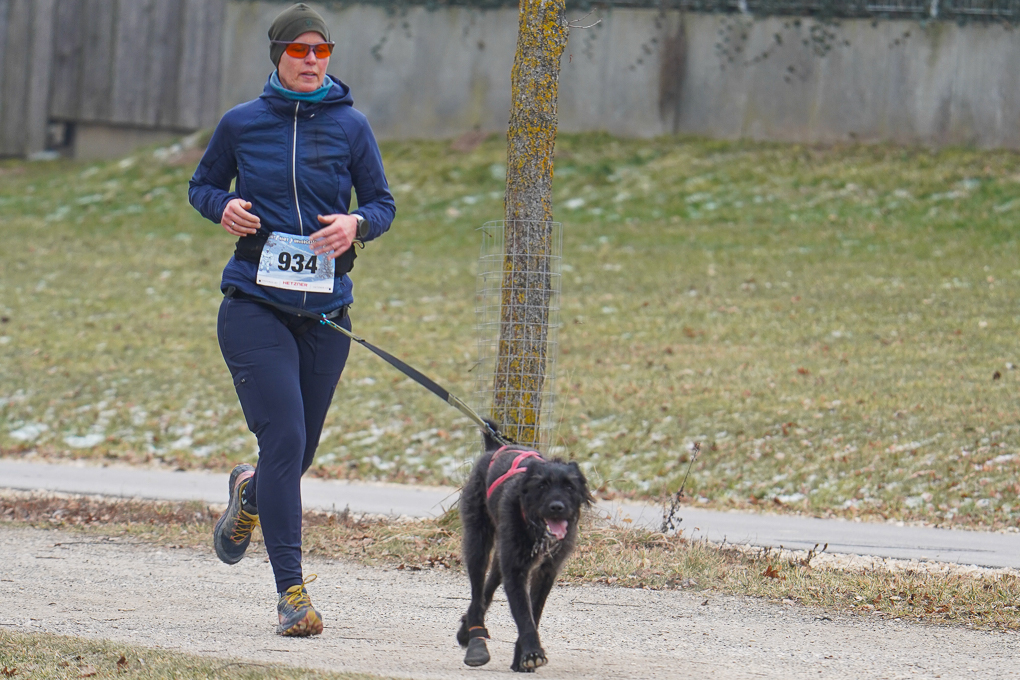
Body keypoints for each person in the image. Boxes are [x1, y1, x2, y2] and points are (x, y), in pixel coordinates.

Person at [188, 3, 395, 637]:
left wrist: (355, 225)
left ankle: (250, 493)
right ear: (278, 56)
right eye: (300, 51)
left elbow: (382, 204)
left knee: (295, 454)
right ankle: (291, 595)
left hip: (326, 313)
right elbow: (201, 185)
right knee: (283, 442)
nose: (311, 62)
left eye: (322, 52)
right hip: (253, 304)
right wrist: (224, 207)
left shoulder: (352, 126)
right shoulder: (242, 123)